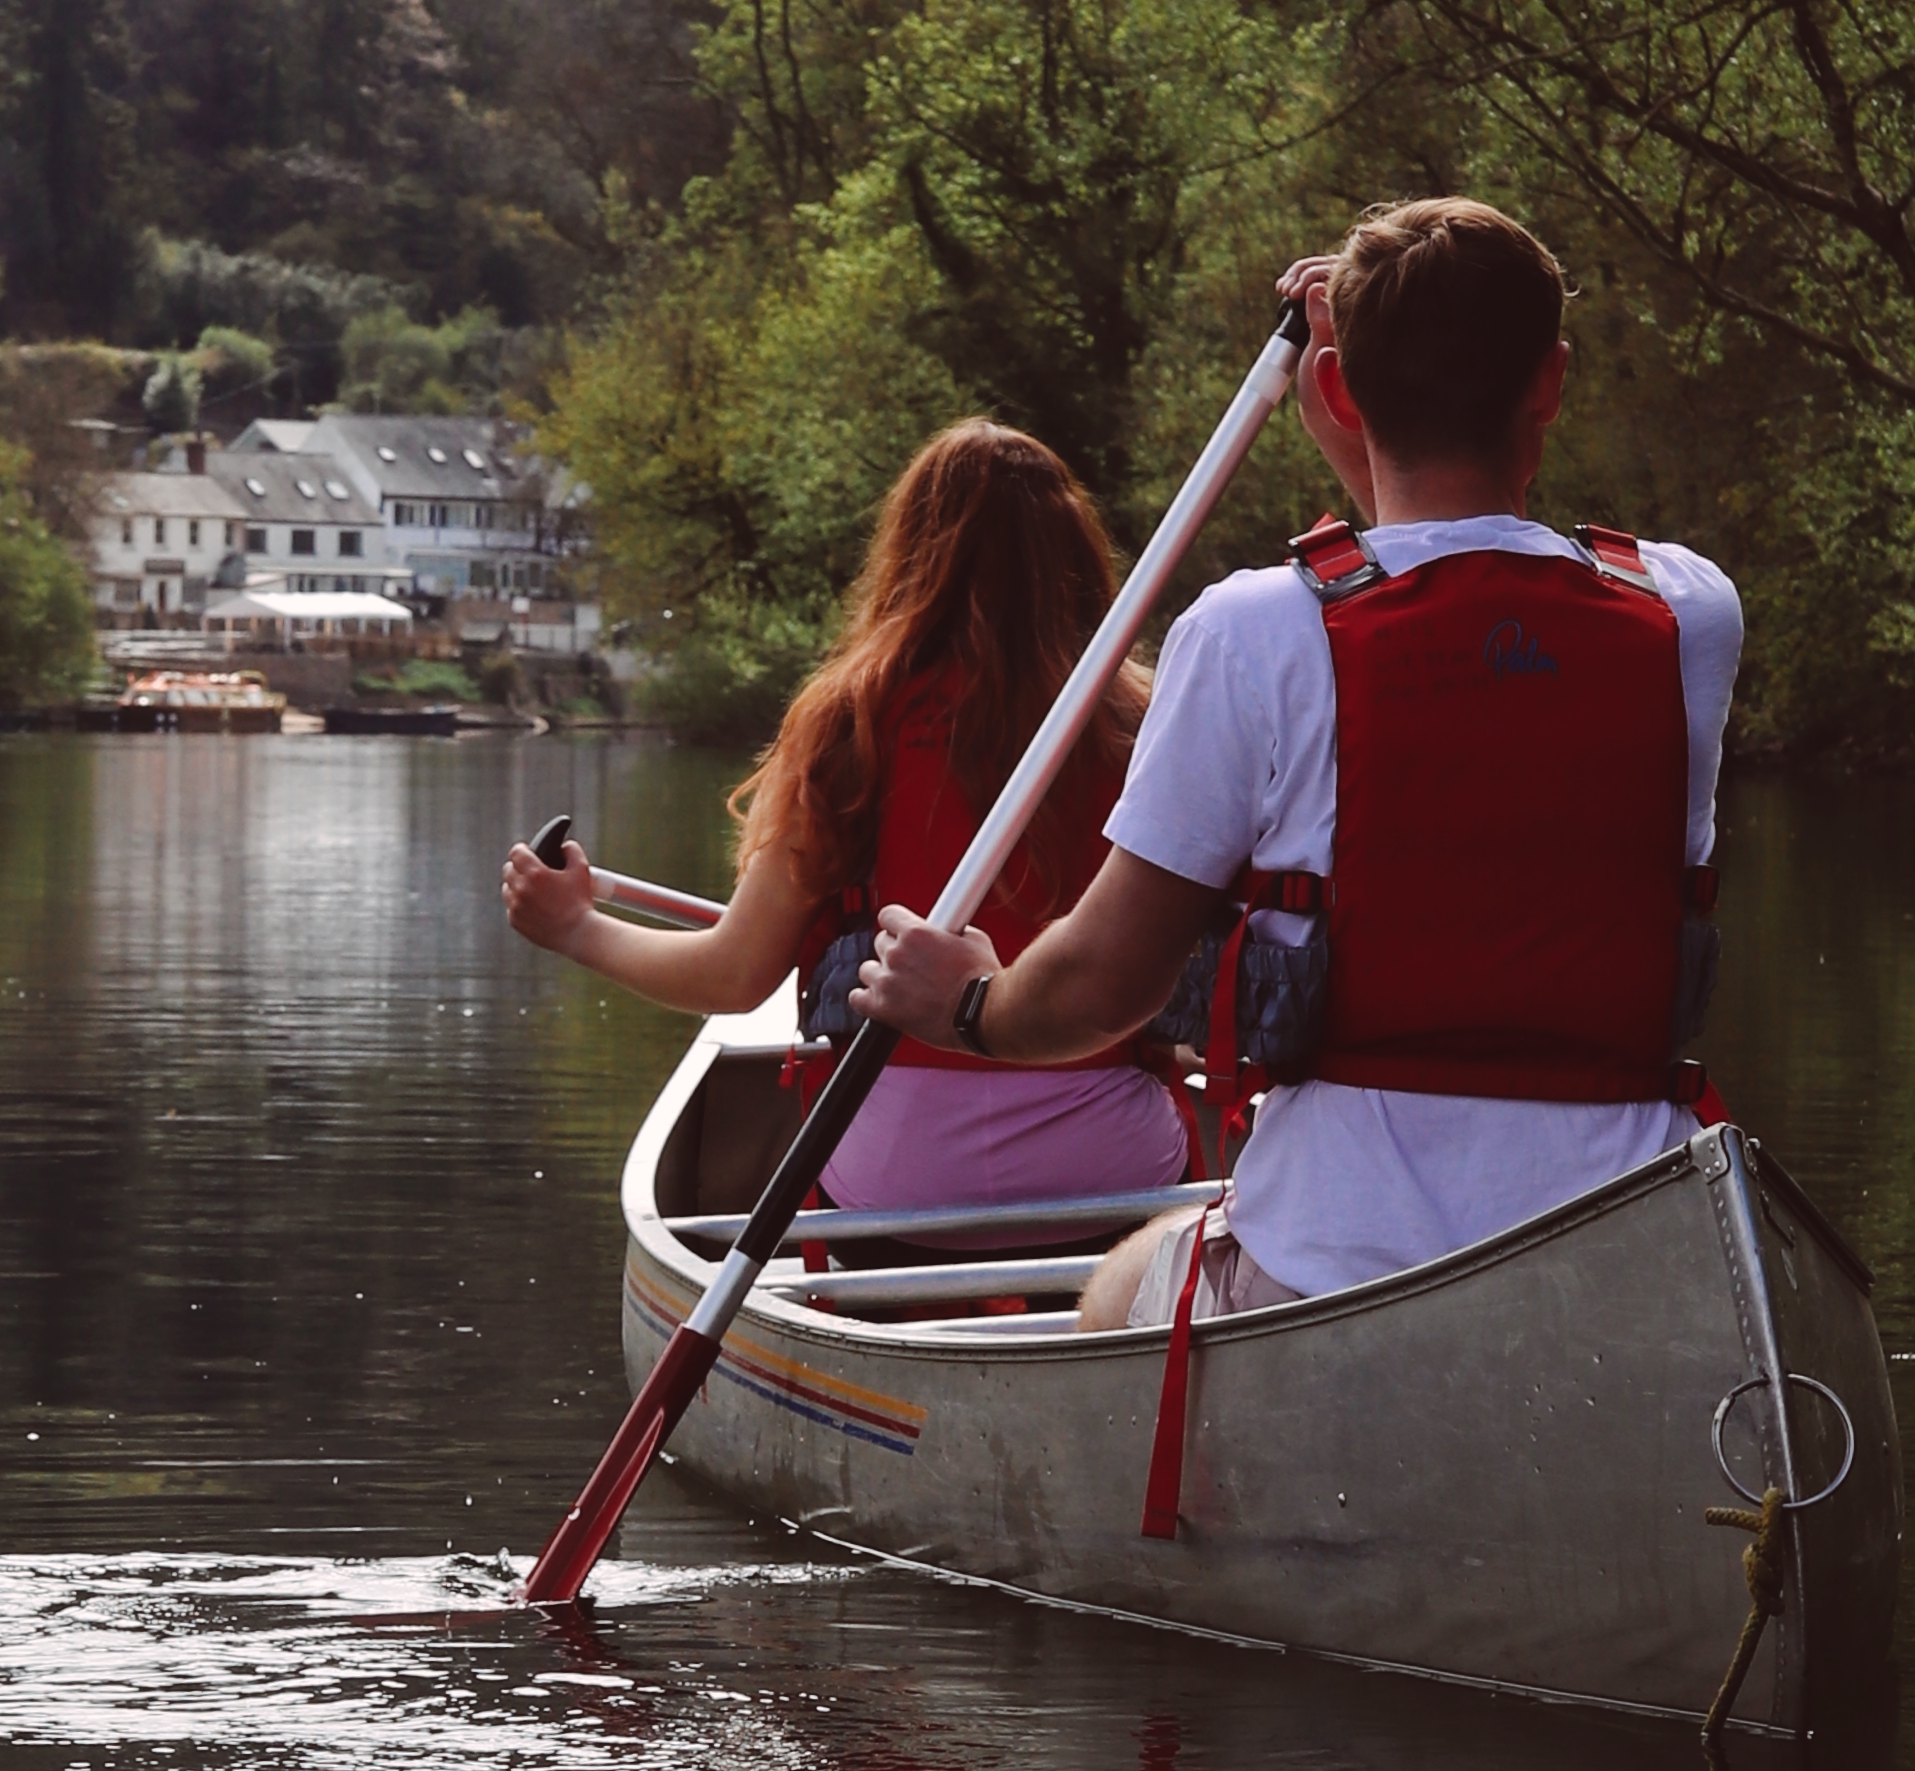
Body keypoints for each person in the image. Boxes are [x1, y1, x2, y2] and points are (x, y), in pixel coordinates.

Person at [855, 199, 1742, 1329]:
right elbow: (1466, 583)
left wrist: (970, 1003)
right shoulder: (1688, 613)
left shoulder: (1249, 632)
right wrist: (1364, 407)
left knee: (1123, 1283)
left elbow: (1099, 988)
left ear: (1347, 392)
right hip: (1624, 1248)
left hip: (1333, 1262)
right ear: (1550, 382)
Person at [499, 422, 1195, 1214]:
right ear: (1074, 553)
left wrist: (575, 928)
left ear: (907, 554)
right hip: (1113, 1168)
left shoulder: (847, 723)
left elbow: (734, 975)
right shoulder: (1146, 720)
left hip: (898, 1175)